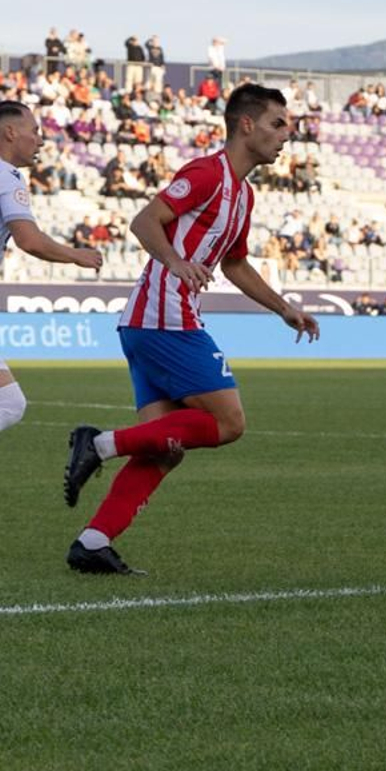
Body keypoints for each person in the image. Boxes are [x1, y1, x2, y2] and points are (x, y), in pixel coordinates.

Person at [61, 84, 320, 575]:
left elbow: (236, 264)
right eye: (277, 124)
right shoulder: (206, 173)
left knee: (164, 448)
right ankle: (98, 444)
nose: (287, 135)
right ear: (246, 125)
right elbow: (144, 221)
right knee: (229, 422)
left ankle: (92, 543)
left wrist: (283, 308)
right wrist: (176, 260)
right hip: (165, 317)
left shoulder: (243, 194)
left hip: (147, 322)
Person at [0, 102, 105, 436]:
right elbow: (28, 240)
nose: (40, 140)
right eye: (35, 131)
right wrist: (75, 254)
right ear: (10, 132)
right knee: (9, 403)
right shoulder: (8, 177)